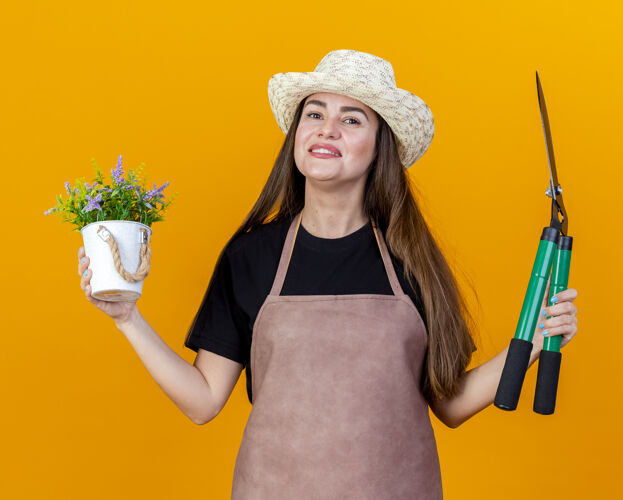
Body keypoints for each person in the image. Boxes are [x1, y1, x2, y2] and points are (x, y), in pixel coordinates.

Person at [76, 49, 579, 499]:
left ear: (380, 146)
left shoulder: (411, 260)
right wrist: (127, 317)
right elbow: (204, 400)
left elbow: (451, 404)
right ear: (297, 135)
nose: (327, 129)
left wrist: (533, 340)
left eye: (351, 119)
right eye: (314, 114)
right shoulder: (251, 256)